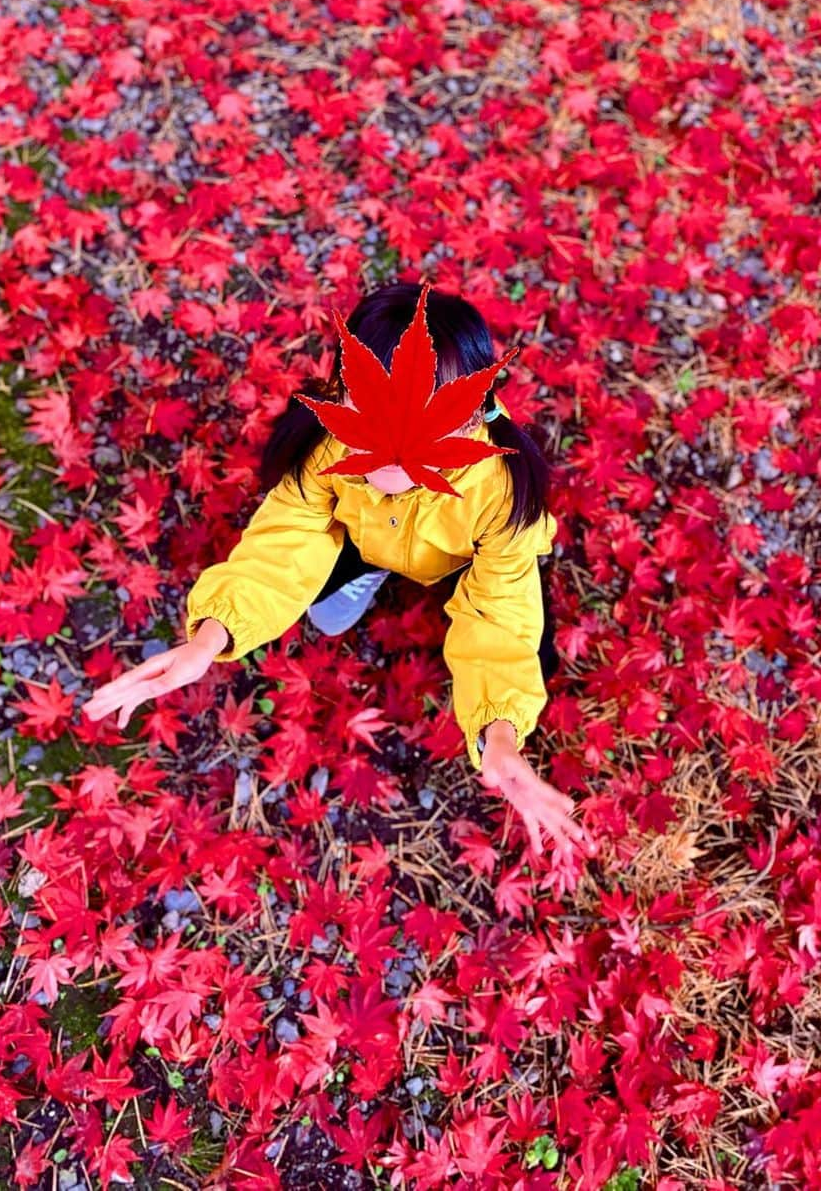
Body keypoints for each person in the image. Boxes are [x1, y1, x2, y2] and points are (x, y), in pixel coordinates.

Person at [84, 281, 596, 860]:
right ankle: (371, 568)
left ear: (474, 414)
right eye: (373, 406)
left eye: (430, 415)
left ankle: (421, 584)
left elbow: (500, 612)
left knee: (533, 645)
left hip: (463, 554)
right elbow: (285, 544)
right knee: (321, 597)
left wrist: (498, 736)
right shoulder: (329, 450)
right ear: (342, 390)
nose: (398, 442)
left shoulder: (500, 493)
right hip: (365, 532)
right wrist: (210, 638)